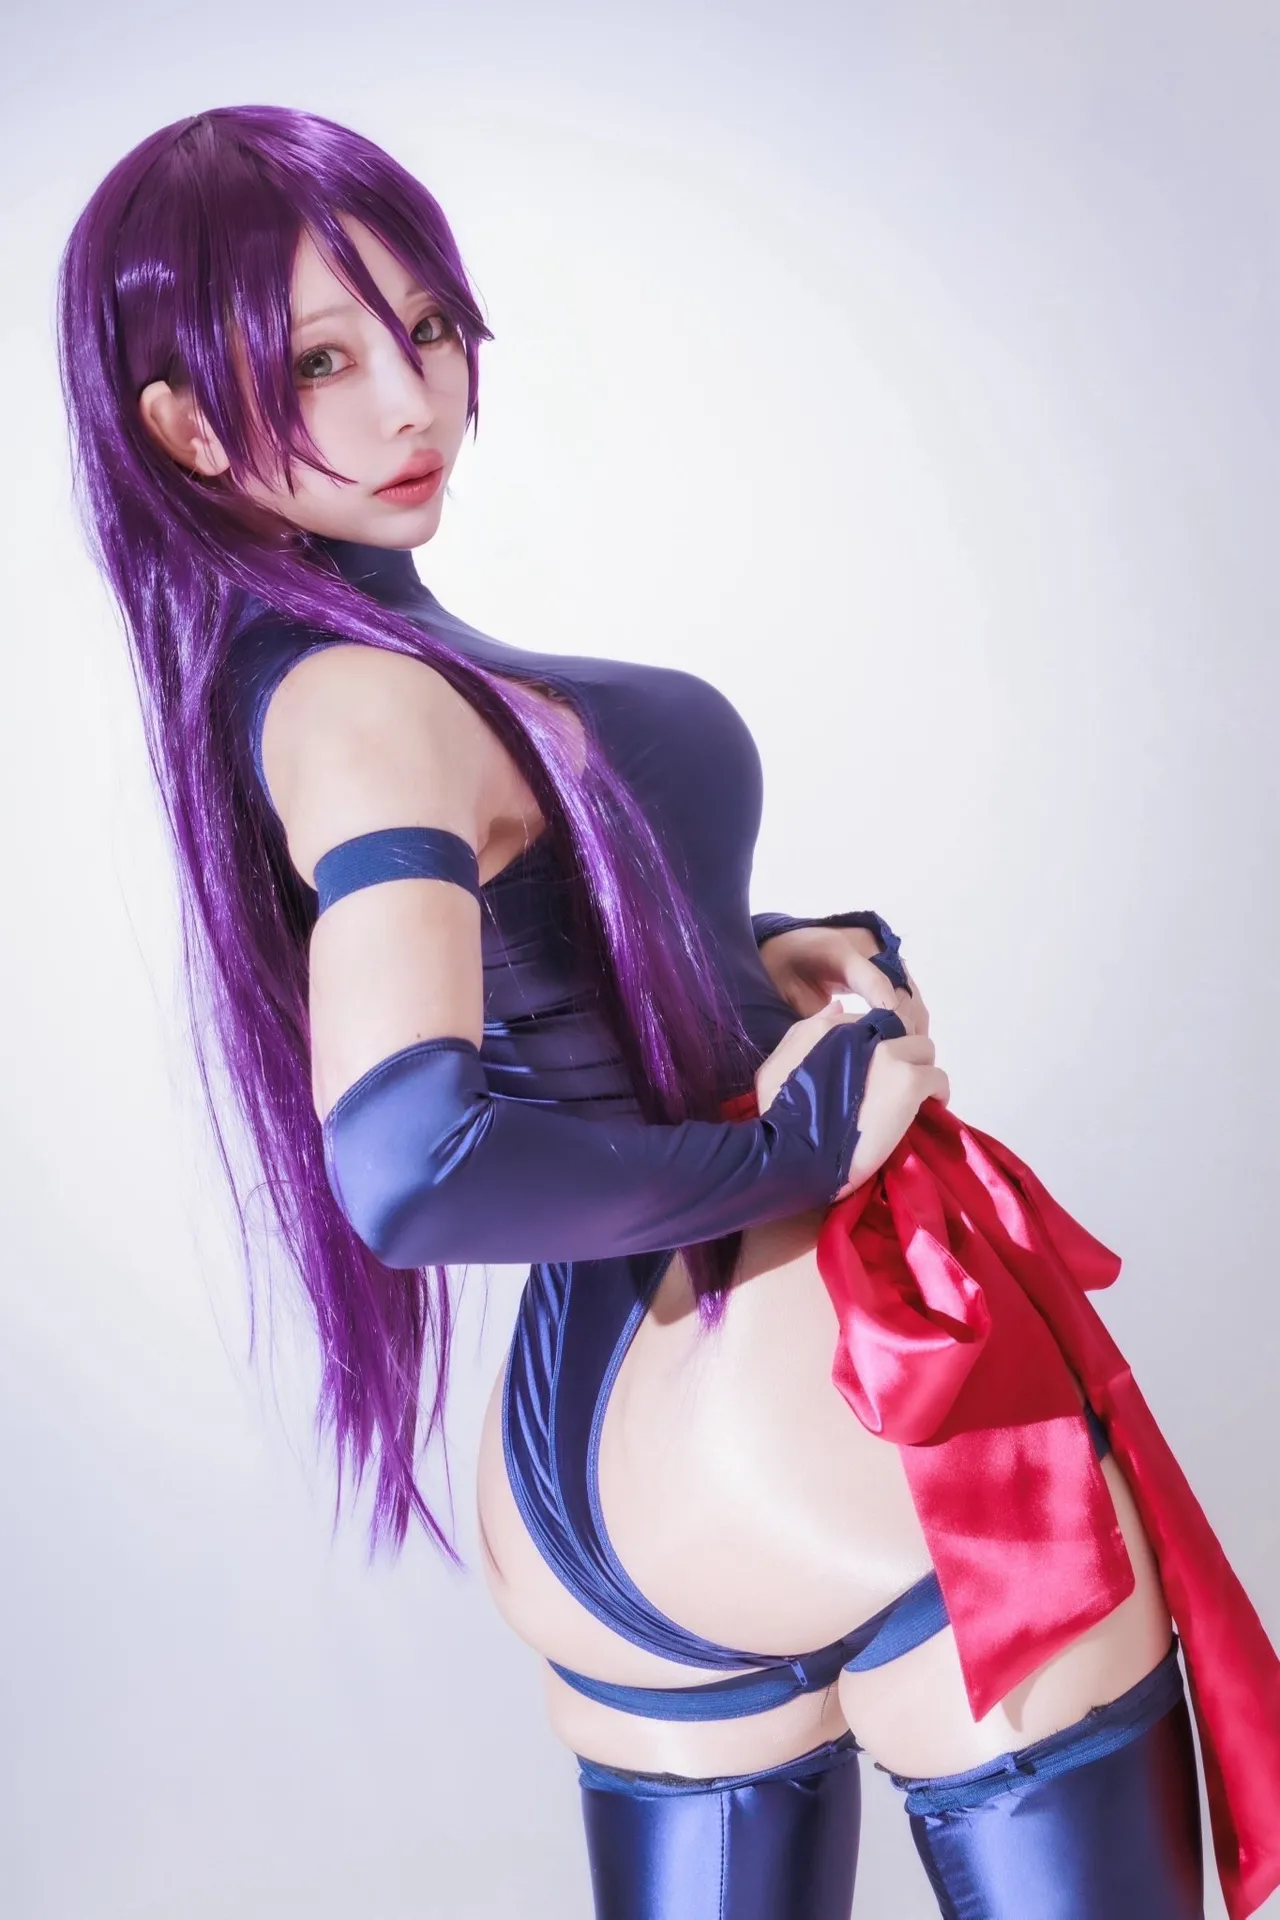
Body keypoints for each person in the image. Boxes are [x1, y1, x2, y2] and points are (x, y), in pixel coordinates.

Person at [55, 104, 1279, 1919]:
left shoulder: (335, 678)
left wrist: (741, 950)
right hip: (808, 1398)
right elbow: (411, 1166)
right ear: (179, 425)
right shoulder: (359, 709)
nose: (410, 401)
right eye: (320, 361)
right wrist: (802, 1143)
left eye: (427, 329)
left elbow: (532, 955)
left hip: (598, 1468)